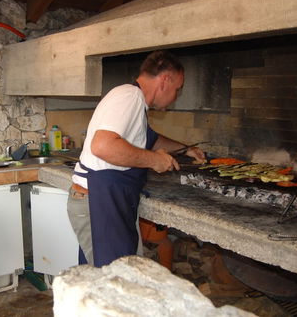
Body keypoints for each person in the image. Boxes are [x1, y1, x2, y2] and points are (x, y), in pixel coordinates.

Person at [67, 50, 206, 268]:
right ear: (165, 80)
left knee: (116, 277)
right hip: (99, 202)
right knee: (115, 284)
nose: (176, 96)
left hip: (108, 201)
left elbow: (150, 139)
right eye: (177, 89)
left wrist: (185, 149)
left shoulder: (133, 100)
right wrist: (153, 160)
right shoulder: (128, 97)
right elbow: (103, 145)